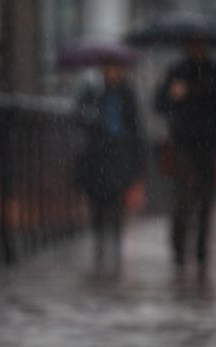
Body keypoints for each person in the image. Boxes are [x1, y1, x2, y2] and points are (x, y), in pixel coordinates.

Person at [154, 38, 216, 270]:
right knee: (183, 197)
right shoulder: (177, 72)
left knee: (206, 199)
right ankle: (179, 250)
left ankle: (201, 251)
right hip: (183, 142)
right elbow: (159, 102)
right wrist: (173, 94)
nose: (197, 49)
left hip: (211, 144)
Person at [74, 61, 146, 272]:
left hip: (119, 156)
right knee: (97, 201)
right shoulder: (92, 93)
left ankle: (114, 244)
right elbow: (79, 117)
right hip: (97, 155)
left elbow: (136, 128)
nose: (111, 73)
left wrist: (138, 160)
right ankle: (100, 243)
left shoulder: (127, 95)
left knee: (115, 201)